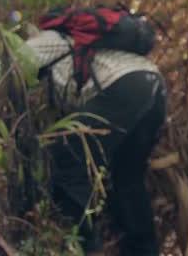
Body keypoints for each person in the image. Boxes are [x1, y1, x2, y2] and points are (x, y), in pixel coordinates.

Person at [18, 16, 166, 256]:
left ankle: (83, 247)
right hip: (154, 85)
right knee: (128, 179)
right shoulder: (86, 43)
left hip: (124, 86)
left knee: (67, 158)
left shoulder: (46, 41)